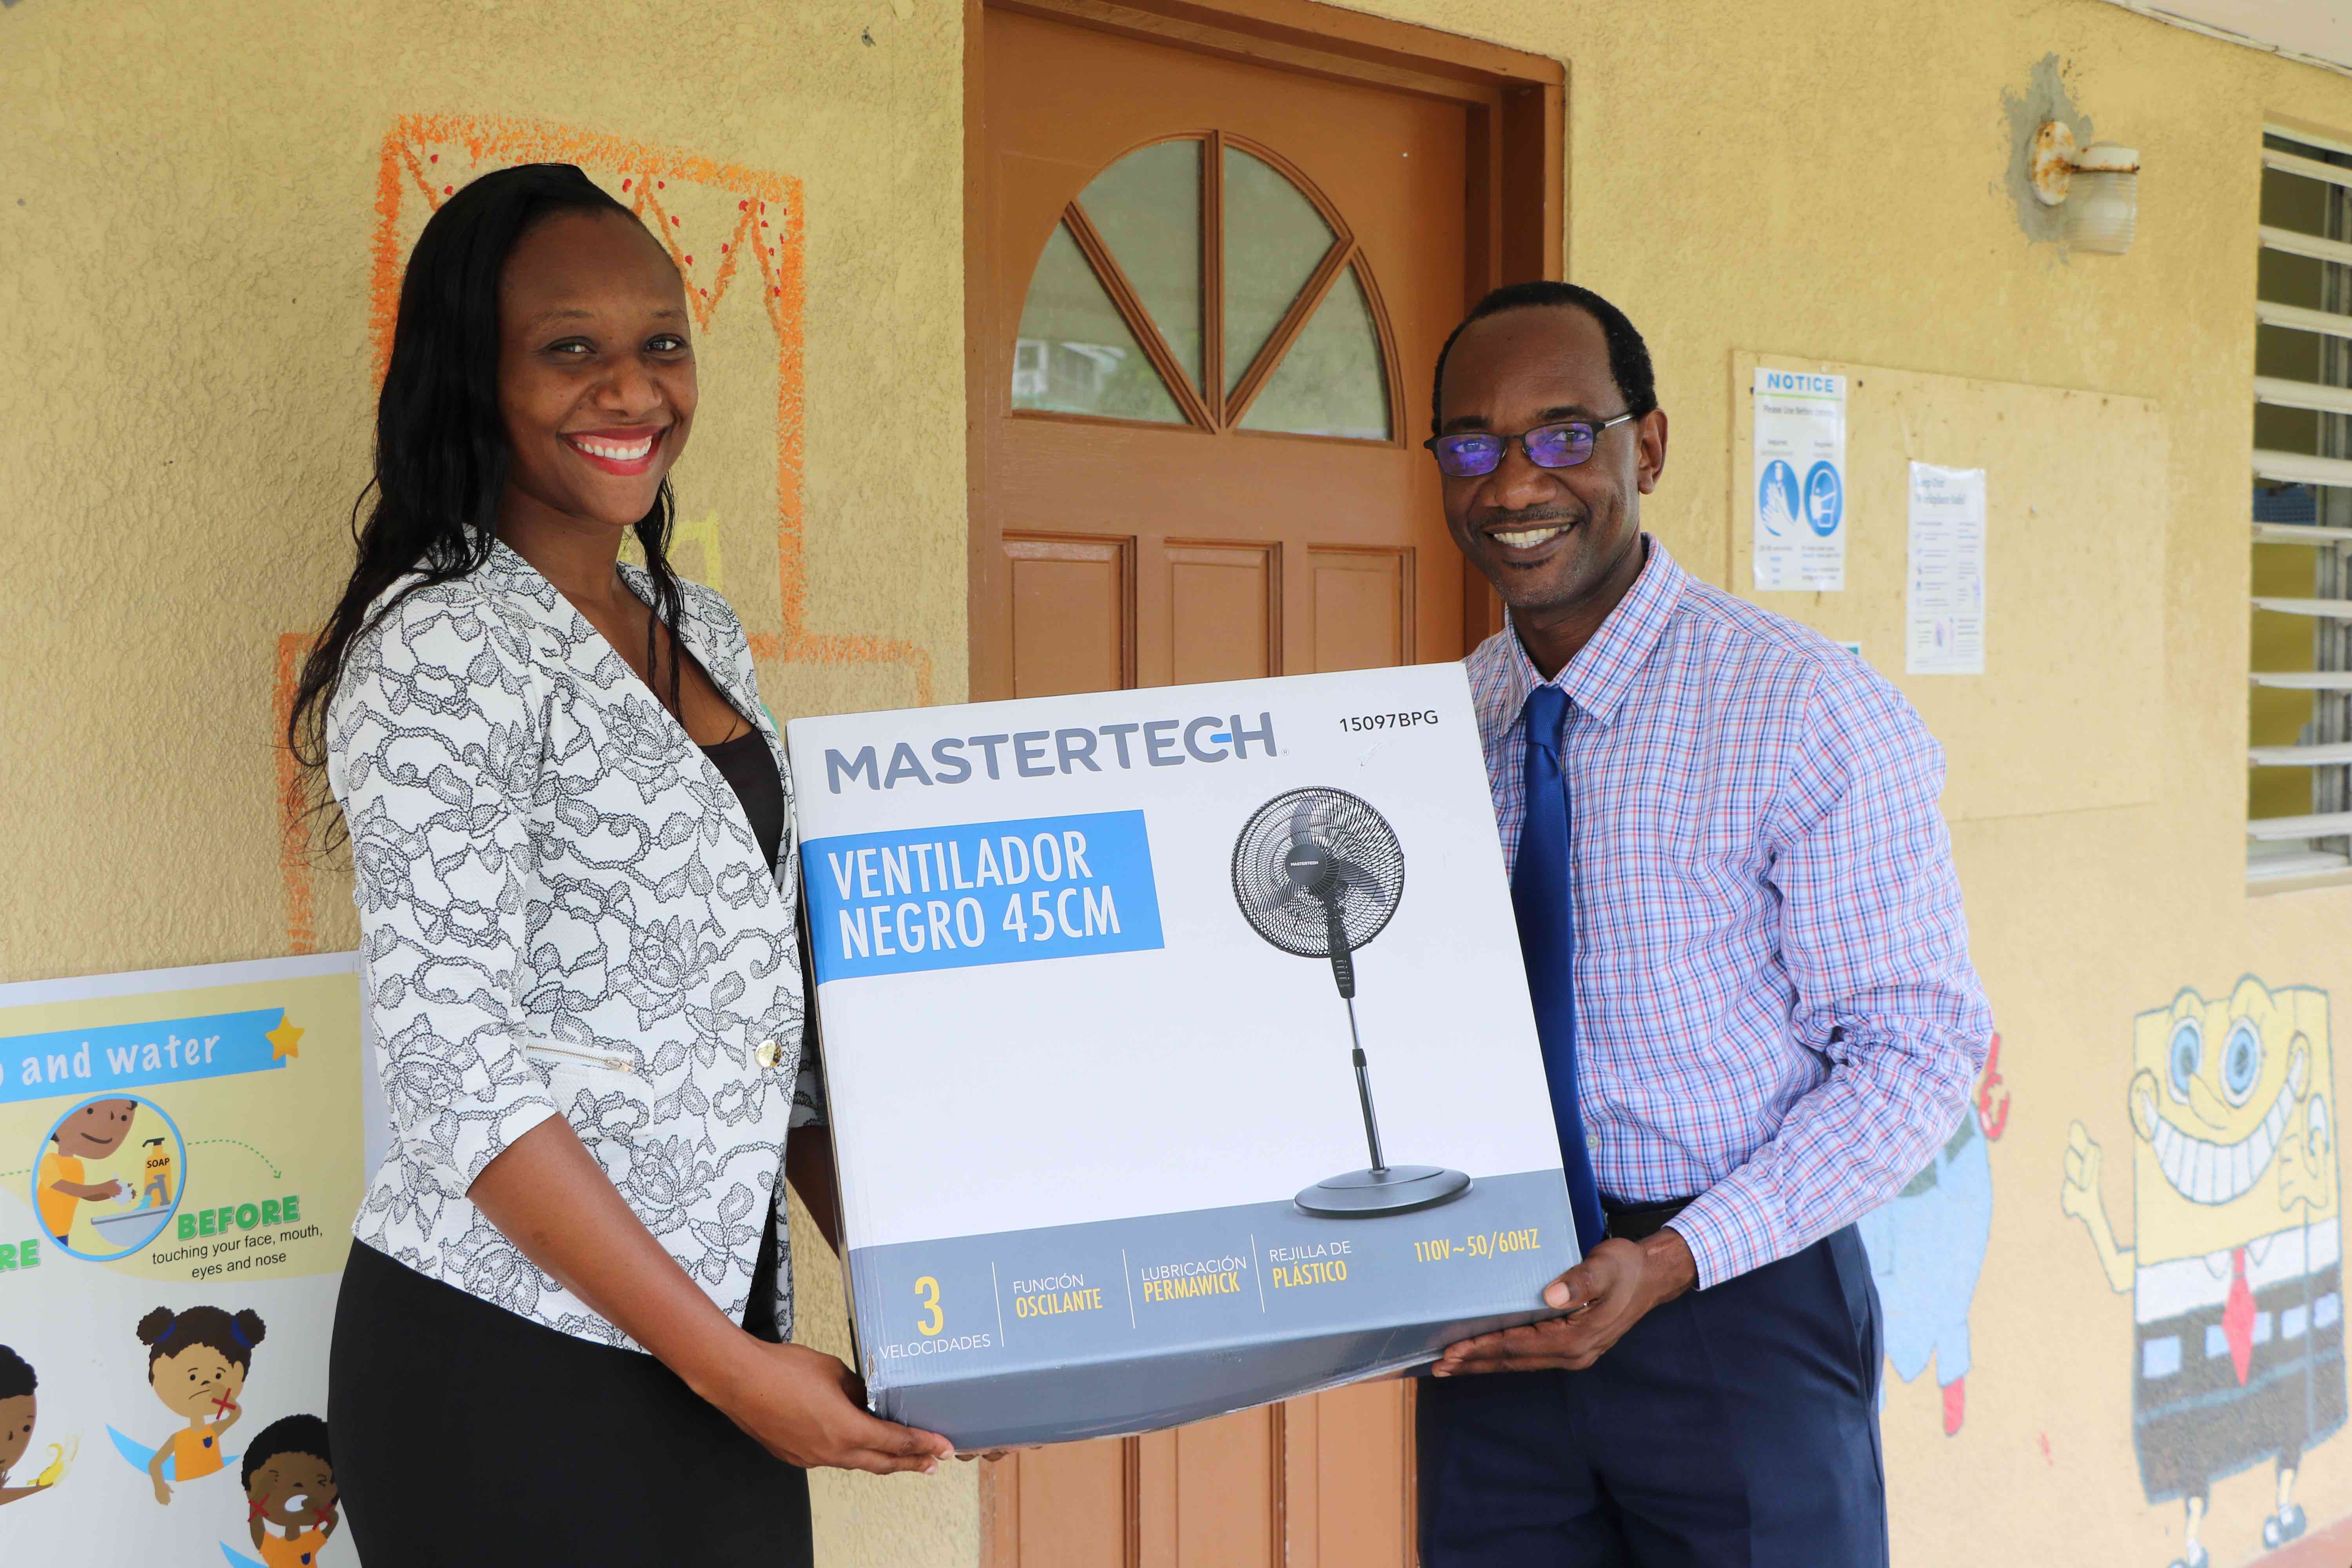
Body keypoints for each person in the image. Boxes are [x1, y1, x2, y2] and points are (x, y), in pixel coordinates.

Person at [287, 163, 950, 1564]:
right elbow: (459, 1073)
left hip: (720, 1345)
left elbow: (784, 1025)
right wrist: (723, 1365)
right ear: (473, 373)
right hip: (513, 1365)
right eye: (569, 346)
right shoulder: (438, 647)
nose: (632, 386)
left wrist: (930, 1302)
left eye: (660, 341)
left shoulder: (694, 621)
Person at [1416, 280, 1993, 1567]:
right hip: (1499, 1305)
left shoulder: (1804, 710)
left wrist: (1678, 1256)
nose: (1514, 485)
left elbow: (1919, 1050)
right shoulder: (1431, 737)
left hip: (1741, 1303)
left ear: (1650, 446)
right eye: (1472, 445)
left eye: (1563, 435)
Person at [136, 1304, 263, 1504]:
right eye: (193, 1376)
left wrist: (226, 1397)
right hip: (186, 1496)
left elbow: (236, 1414)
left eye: (218, 1375)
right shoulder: (178, 1439)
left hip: (216, 1494)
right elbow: (154, 1464)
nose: (205, 1384)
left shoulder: (212, 1431)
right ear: (161, 1369)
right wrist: (160, 1487)